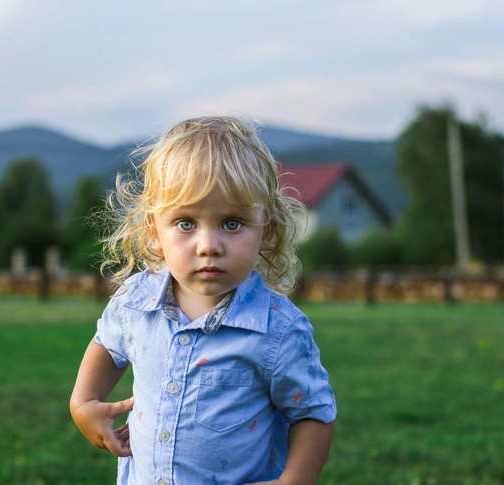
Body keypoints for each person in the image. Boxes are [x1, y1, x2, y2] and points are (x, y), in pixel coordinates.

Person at [70, 116, 336, 485]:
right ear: (154, 231)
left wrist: (292, 481)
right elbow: (106, 345)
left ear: (267, 230)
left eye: (231, 223)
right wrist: (84, 404)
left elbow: (313, 411)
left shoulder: (277, 328)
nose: (208, 245)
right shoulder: (135, 302)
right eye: (186, 223)